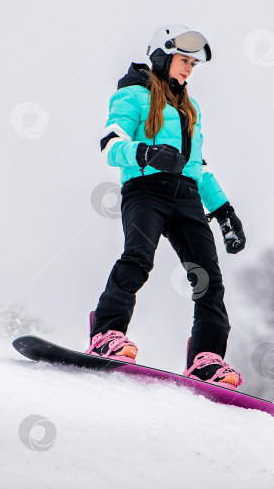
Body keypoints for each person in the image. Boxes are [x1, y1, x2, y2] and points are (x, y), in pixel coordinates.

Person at [87, 25, 247, 389]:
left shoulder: (191, 109)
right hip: (145, 190)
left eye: (193, 63)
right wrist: (147, 153)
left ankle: (206, 359)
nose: (189, 68)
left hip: (187, 196)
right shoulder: (133, 95)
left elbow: (198, 166)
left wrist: (224, 211)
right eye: (183, 60)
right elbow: (110, 145)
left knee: (208, 278)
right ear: (161, 56)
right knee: (138, 258)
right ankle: (107, 333)